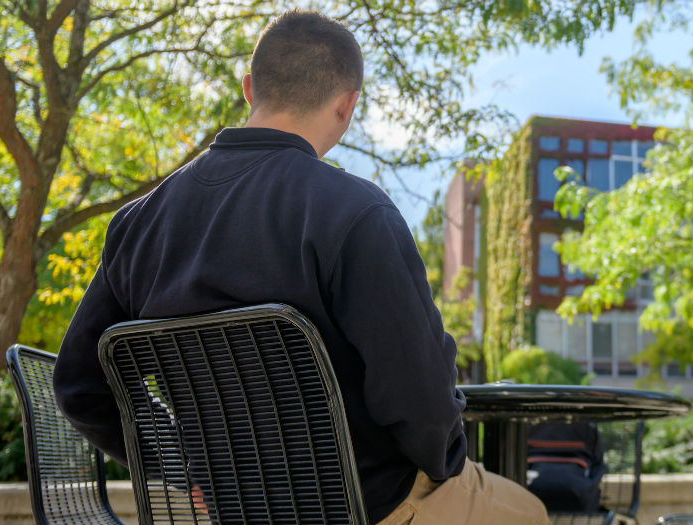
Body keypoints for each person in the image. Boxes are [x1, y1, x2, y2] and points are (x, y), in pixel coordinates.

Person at [52, 10, 549, 525]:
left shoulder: (138, 225)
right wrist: (444, 465)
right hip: (369, 505)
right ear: (347, 104)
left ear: (249, 88)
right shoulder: (355, 213)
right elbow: (417, 398)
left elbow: (78, 387)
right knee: (531, 511)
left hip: (233, 511)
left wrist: (188, 468)